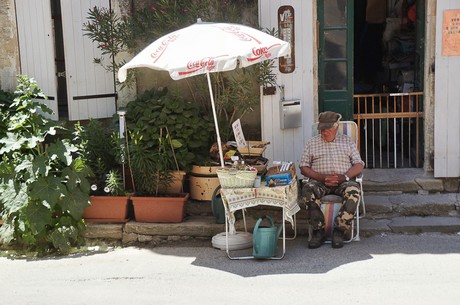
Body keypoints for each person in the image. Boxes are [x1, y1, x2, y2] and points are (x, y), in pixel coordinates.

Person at [299, 111, 364, 249]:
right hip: (319, 181)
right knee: (307, 190)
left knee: (353, 191)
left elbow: (359, 165)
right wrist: (321, 177)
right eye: (321, 130)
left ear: (335, 128)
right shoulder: (312, 143)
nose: (323, 133)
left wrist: (344, 177)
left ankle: (339, 231)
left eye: (327, 130)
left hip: (344, 180)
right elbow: (303, 167)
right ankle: (318, 232)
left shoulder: (347, 141)